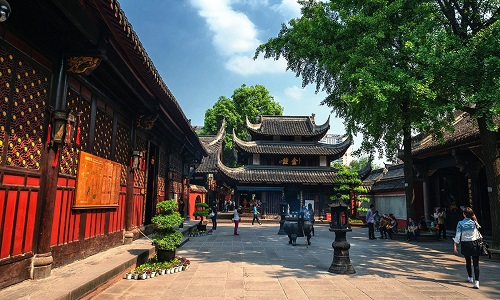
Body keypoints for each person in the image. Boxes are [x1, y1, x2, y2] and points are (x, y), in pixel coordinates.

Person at [453, 207, 482, 289]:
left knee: (468, 261)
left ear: (464, 214)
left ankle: (470, 277)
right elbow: (479, 228)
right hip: (475, 243)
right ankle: (477, 282)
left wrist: (455, 245)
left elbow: (458, 235)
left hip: (465, 244)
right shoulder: (474, 223)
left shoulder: (460, 223)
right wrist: (474, 218)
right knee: (476, 263)